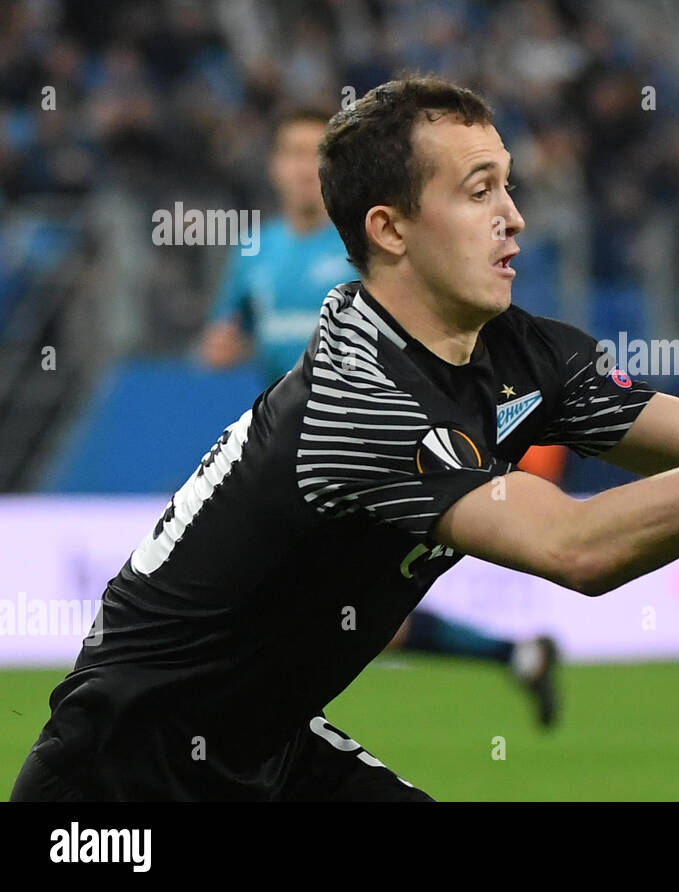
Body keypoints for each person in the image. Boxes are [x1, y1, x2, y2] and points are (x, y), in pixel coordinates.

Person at [10, 75, 679, 801]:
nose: (515, 217)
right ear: (390, 228)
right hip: (121, 782)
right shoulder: (356, 393)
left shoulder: (520, 350)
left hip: (262, 745)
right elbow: (575, 548)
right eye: (479, 191)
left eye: (510, 185)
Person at [199, 106, 563, 727]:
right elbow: (226, 333)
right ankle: (517, 654)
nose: (298, 169)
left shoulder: (360, 250)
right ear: (274, 166)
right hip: (290, 451)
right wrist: (223, 345)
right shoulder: (254, 252)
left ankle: (237, 732)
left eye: (311, 156)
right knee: (345, 612)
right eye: (288, 153)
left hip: (373, 445)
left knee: (311, 606)